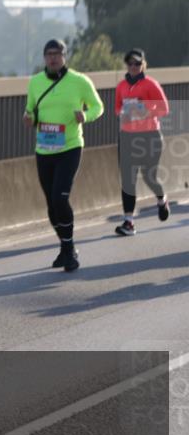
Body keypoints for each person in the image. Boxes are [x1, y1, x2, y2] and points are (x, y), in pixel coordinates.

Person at [23, 39, 104, 271]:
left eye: (57, 53)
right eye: (49, 54)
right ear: (44, 58)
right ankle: (66, 247)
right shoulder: (36, 82)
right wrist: (28, 119)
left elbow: (98, 107)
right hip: (44, 149)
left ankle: (69, 251)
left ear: (64, 56)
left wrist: (85, 117)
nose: (53, 58)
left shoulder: (79, 81)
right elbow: (30, 110)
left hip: (70, 147)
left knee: (60, 198)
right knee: (51, 205)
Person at [114, 48, 171, 236]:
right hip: (127, 136)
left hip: (149, 136)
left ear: (143, 64)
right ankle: (128, 222)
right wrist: (124, 114)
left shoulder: (150, 84)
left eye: (137, 63)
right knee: (128, 180)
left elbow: (164, 108)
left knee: (149, 176)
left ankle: (161, 200)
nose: (133, 67)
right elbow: (116, 108)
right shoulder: (121, 86)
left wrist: (146, 112)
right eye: (130, 63)